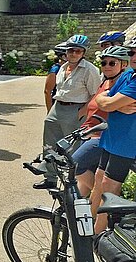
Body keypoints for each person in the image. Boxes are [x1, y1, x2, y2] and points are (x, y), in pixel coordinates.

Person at [34, 34, 101, 189]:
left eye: (78, 51)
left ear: (83, 53)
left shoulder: (89, 70)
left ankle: (73, 182)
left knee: (73, 147)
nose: (74, 54)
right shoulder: (63, 67)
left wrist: (82, 111)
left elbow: (95, 93)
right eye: (71, 50)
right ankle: (50, 177)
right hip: (59, 106)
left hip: (75, 108)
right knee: (50, 143)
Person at [70, 46, 129, 197]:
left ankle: (109, 198)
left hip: (101, 136)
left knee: (75, 165)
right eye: (104, 63)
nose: (106, 66)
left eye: (112, 63)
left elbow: (119, 107)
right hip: (88, 133)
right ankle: (81, 213)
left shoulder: (122, 86)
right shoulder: (105, 82)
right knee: (85, 180)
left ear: (124, 65)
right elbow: (95, 102)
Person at [90, 46, 136, 234]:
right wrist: (116, 105)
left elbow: (107, 103)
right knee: (99, 179)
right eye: (132, 52)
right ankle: (86, 226)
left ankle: (98, 237)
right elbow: (102, 98)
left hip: (127, 142)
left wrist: (112, 104)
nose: (134, 56)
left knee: (109, 187)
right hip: (112, 136)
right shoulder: (128, 74)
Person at [44, 43, 68, 112]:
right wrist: (50, 110)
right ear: (63, 56)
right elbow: (47, 91)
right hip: (57, 104)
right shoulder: (55, 69)